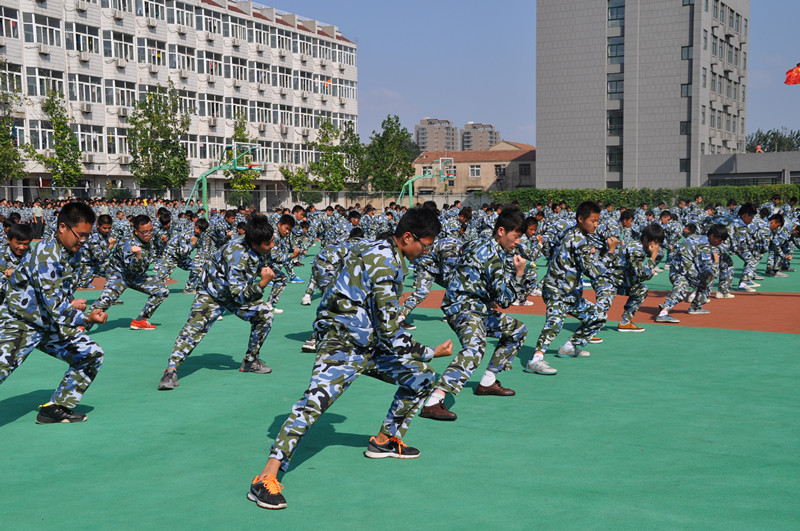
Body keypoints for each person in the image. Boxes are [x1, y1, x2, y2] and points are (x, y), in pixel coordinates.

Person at [248, 207, 453, 510]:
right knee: (313, 403)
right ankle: (265, 477)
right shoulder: (385, 263)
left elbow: (327, 255)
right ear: (408, 237)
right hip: (343, 344)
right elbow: (390, 329)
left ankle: (384, 441)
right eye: (425, 244)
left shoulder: (373, 245)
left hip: (368, 344)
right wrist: (430, 351)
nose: (426, 251)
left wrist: (333, 293)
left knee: (421, 376)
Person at [0, 202, 108, 424]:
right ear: (62, 228)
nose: (83, 240)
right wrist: (86, 317)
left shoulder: (71, 251)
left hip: (47, 323)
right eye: (80, 235)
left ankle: (55, 408)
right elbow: (57, 310)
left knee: (90, 354)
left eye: (87, 235)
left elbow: (59, 295)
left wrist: (71, 303)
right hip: (20, 323)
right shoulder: (47, 256)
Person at [419, 206, 528, 421]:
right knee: (475, 347)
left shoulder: (480, 241)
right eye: (515, 237)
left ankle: (488, 382)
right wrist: (519, 273)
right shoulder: (494, 258)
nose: (517, 242)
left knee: (517, 330)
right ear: (501, 231)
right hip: (464, 308)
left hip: (473, 307)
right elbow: (505, 301)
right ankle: (434, 401)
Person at [158, 215, 277, 390]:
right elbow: (240, 296)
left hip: (235, 291)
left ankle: (250, 361)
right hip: (212, 293)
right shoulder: (237, 256)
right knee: (193, 329)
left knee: (265, 314)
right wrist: (262, 284)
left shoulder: (258, 242)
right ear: (253, 244)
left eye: (272, 241)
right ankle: (170, 371)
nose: (272, 246)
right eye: (268, 244)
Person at [525, 201, 610, 376]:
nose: (596, 224)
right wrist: (610, 254)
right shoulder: (579, 240)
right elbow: (592, 272)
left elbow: (550, 246)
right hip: (557, 291)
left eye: (597, 221)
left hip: (570, 293)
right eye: (593, 220)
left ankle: (569, 347)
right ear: (581, 219)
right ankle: (535, 360)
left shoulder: (569, 231)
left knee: (598, 317)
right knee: (555, 323)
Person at [90, 214, 170, 330]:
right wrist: (138, 256)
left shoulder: (149, 238)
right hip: (119, 275)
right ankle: (80, 325)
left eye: (151, 230)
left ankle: (140, 320)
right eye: (145, 232)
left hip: (136, 276)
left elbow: (158, 252)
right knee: (105, 301)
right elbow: (134, 267)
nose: (149, 234)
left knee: (162, 290)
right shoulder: (128, 243)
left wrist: (163, 242)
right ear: (136, 231)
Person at [595, 223, 665, 332]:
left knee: (641, 290)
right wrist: (653, 257)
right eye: (655, 242)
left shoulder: (639, 247)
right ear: (646, 238)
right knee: (602, 307)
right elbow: (641, 274)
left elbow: (641, 274)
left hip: (620, 281)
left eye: (658, 243)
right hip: (606, 280)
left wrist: (649, 270)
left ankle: (625, 322)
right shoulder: (636, 249)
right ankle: (588, 329)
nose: (657, 246)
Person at [655, 224, 729, 323]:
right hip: (683, 273)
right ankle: (663, 313)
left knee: (690, 284)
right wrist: (716, 262)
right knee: (704, 279)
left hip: (677, 270)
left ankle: (695, 307)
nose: (720, 243)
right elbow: (707, 269)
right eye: (719, 240)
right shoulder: (705, 246)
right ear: (712, 236)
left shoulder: (696, 237)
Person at [0, 222, 34, 303]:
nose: (22, 247)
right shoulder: (2, 255)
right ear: (8, 240)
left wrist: (16, 273)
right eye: (18, 243)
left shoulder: (32, 254)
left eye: (25, 244)